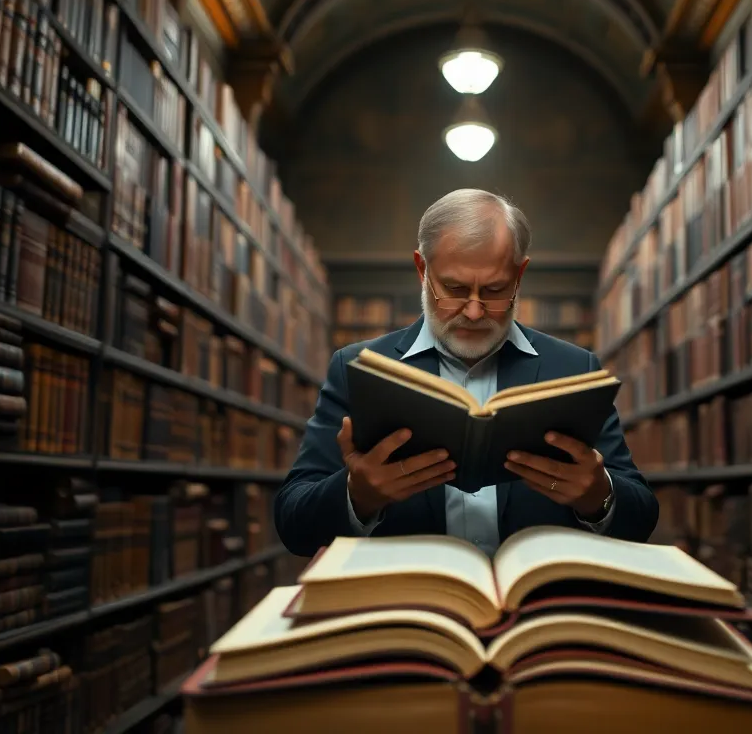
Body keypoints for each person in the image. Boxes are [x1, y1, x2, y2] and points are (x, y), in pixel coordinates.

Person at [274, 188, 658, 557]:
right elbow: (293, 522)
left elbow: (641, 517)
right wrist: (357, 496)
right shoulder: (356, 368)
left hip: (538, 616)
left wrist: (598, 496)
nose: (474, 311)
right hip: (410, 615)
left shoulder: (576, 369)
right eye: (454, 288)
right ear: (422, 270)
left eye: (494, 289)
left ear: (519, 276)